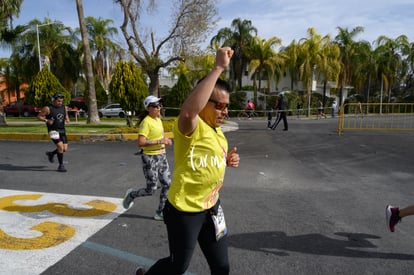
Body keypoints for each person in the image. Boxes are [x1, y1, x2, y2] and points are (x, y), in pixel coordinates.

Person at [135, 47, 240, 275]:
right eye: (220, 105)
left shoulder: (217, 131)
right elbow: (188, 113)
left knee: (222, 267)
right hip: (184, 211)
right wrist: (218, 68)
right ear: (204, 103)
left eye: (227, 107)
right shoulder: (190, 127)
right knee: (177, 267)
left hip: (212, 207)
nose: (225, 112)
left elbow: (206, 159)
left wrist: (227, 160)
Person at [123, 95, 172, 221]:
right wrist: (160, 141)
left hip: (162, 156)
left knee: (167, 184)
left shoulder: (158, 120)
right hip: (150, 158)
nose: (158, 108)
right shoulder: (146, 122)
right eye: (155, 106)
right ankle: (132, 195)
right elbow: (141, 142)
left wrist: (164, 143)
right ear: (148, 108)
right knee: (152, 189)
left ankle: (160, 212)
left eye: (159, 105)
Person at [37, 93, 70, 172]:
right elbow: (39, 116)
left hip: (62, 129)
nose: (60, 103)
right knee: (60, 147)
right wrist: (46, 120)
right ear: (53, 100)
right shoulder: (48, 108)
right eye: (58, 101)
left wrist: (67, 119)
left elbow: (66, 115)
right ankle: (61, 166)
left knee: (64, 149)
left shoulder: (64, 107)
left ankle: (51, 154)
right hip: (53, 130)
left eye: (61, 101)